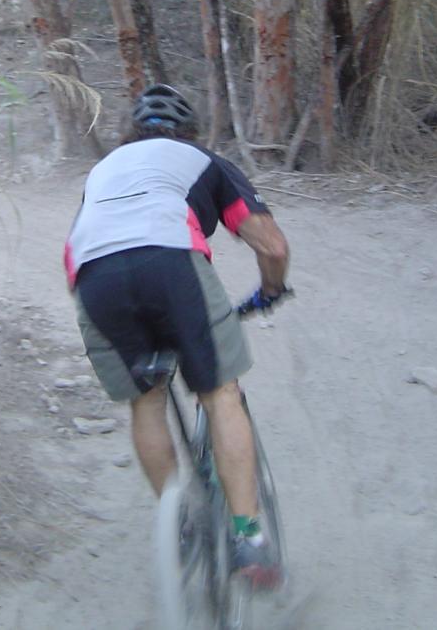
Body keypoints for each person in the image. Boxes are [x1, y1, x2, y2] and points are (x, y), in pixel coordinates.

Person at [63, 84, 291, 590]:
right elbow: (271, 245)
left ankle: (180, 525)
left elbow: (82, 243)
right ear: (190, 131)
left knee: (146, 401)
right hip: (170, 264)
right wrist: (270, 291)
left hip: (93, 279)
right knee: (220, 392)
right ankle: (248, 537)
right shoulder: (200, 159)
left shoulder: (103, 171)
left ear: (131, 133)